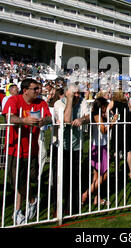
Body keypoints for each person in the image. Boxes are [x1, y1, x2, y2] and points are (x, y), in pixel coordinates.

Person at [2, 78, 52, 225]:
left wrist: (44, 121)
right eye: (35, 88)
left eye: (39, 88)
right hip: (15, 148)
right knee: (17, 180)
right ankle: (30, 201)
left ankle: (19, 210)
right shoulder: (14, 100)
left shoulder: (41, 103)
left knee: (29, 178)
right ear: (25, 90)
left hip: (32, 149)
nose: (38, 91)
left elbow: (50, 117)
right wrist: (24, 121)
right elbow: (9, 117)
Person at [51, 85, 90, 216]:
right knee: (59, 178)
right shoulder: (58, 103)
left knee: (74, 178)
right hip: (61, 146)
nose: (77, 95)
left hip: (76, 146)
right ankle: (57, 206)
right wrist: (69, 100)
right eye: (74, 93)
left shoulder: (83, 102)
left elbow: (88, 117)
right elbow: (66, 119)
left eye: (78, 93)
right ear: (67, 93)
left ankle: (71, 206)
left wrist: (82, 119)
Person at [81, 97, 118, 207]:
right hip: (99, 147)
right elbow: (103, 131)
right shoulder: (97, 116)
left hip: (101, 145)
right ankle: (86, 194)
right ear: (101, 106)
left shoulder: (99, 116)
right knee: (104, 175)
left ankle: (97, 198)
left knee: (97, 176)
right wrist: (112, 122)